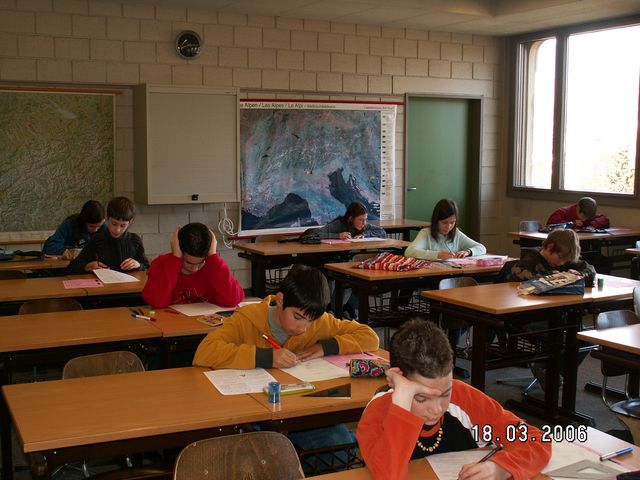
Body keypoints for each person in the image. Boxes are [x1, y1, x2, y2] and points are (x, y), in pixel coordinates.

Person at [356, 319, 551, 480]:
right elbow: (389, 476)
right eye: (422, 399)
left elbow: (536, 439)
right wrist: (402, 403)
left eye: (444, 394)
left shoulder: (463, 396)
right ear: (400, 383)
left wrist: (501, 468)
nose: (436, 409)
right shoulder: (378, 412)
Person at [192, 264, 379, 369]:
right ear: (281, 300)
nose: (303, 328)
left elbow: (370, 337)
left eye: (311, 321)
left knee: (339, 429)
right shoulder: (247, 319)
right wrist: (265, 358)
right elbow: (204, 352)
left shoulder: (319, 321)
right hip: (256, 405)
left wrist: (326, 347)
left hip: (301, 403)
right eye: (297, 317)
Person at [142, 223, 244, 309]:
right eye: (189, 262)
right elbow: (156, 302)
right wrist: (175, 259)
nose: (194, 269)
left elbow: (233, 300)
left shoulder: (213, 265)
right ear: (178, 249)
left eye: (200, 263)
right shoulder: (163, 264)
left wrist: (213, 257)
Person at [68, 196, 149, 273]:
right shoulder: (97, 240)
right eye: (114, 224)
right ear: (106, 216)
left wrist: (138, 265)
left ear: (130, 222)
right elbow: (73, 267)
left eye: (123, 225)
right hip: (103, 283)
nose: (117, 230)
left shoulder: (135, 240)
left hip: (130, 283)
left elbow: (148, 267)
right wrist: (87, 266)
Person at [405, 199, 486, 260]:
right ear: (436, 220)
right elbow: (409, 252)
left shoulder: (456, 233)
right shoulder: (426, 233)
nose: (448, 227)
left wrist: (468, 251)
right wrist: (437, 255)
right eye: (444, 223)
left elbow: (481, 248)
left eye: (452, 222)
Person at [299, 202, 386, 242]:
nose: (364, 223)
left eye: (365, 219)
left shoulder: (363, 225)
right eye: (360, 219)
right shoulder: (339, 224)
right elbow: (315, 234)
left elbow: (382, 232)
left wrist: (364, 235)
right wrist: (338, 236)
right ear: (351, 218)